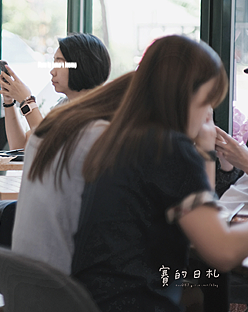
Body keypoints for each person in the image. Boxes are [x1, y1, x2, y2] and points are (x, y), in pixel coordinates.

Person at [71, 35, 248, 311]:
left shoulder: (125, 138)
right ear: (181, 96)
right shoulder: (167, 149)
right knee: (215, 279)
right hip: (136, 297)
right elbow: (222, 251)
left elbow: (200, 211)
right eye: (205, 103)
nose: (206, 117)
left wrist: (203, 148)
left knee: (210, 281)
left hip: (101, 295)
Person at [11, 72, 133, 275]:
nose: (52, 71)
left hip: (28, 282)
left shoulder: (71, 123)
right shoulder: (95, 135)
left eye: (61, 62)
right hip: (64, 284)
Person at [0, 33, 111, 150]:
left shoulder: (97, 110)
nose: (52, 71)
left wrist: (27, 101)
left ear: (83, 65)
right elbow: (20, 146)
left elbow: (47, 144)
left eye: (59, 63)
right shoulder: (65, 105)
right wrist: (9, 101)